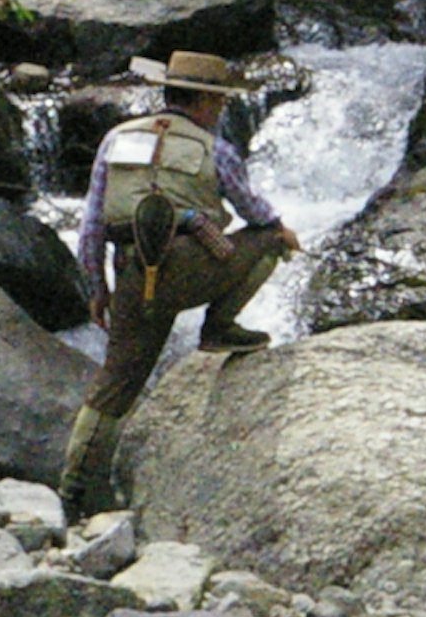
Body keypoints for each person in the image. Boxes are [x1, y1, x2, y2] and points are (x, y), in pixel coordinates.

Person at [57, 48, 298, 516]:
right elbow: (255, 211)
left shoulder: (116, 139)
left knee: (116, 384)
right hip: (195, 269)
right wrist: (282, 228)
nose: (222, 111)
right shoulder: (217, 150)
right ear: (206, 102)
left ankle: (74, 492)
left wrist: (97, 290)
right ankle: (220, 326)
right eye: (221, 103)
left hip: (130, 273)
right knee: (270, 238)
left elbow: (91, 226)